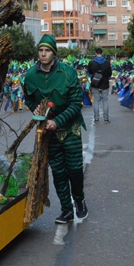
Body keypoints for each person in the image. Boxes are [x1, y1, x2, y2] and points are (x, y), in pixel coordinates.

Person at [23, 34, 88, 224]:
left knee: (74, 169)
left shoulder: (68, 73)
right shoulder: (30, 75)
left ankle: (79, 200)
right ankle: (66, 210)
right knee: (58, 172)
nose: (43, 54)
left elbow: (76, 103)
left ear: (54, 53)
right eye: (41, 50)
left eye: (47, 51)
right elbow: (29, 99)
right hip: (47, 132)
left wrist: (58, 121)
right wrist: (34, 109)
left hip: (70, 128)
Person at [88, 48, 112, 123]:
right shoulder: (107, 63)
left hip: (95, 83)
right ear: (102, 53)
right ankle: (106, 119)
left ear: (95, 53)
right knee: (105, 101)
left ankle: (96, 119)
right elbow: (109, 74)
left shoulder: (91, 62)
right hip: (105, 84)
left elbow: (90, 72)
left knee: (96, 102)